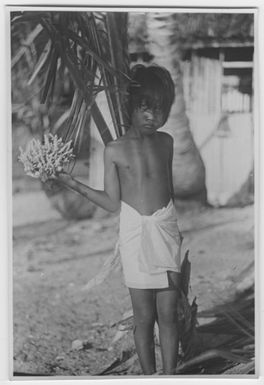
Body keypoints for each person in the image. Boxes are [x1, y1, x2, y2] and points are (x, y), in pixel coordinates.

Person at [56, 64, 182, 375]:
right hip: (135, 235)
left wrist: (172, 229)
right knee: (143, 317)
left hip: (164, 231)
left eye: (160, 110)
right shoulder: (114, 150)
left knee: (168, 313)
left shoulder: (167, 143)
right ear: (130, 106)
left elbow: (170, 190)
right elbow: (112, 203)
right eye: (145, 108)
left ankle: (170, 376)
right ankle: (150, 377)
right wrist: (73, 183)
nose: (153, 116)